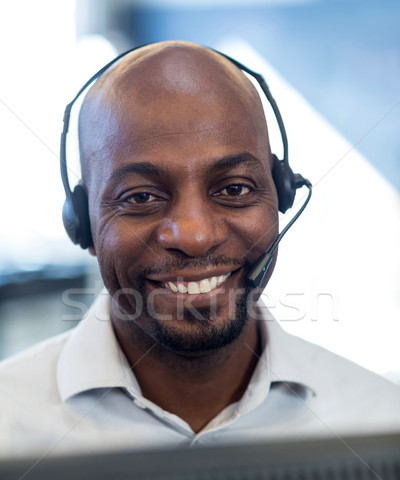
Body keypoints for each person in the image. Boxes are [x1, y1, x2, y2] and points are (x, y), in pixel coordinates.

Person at [0, 41, 398, 457]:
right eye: (140, 197)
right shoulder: (9, 428)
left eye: (234, 189)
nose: (194, 237)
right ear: (82, 223)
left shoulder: (381, 422)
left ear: (280, 195)